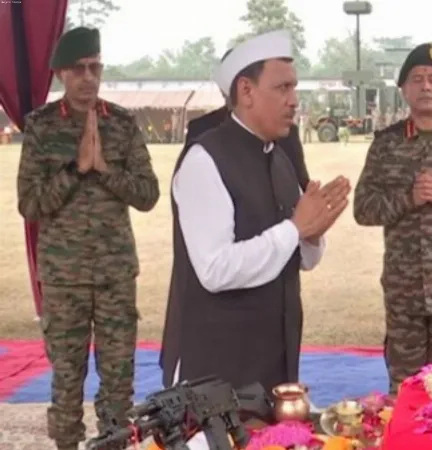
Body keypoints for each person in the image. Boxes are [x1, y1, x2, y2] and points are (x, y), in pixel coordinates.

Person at [159, 30, 351, 398]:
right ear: (246, 91)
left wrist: (312, 235)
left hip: (273, 362)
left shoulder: (278, 157)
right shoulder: (205, 159)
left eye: (294, 88)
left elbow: (300, 257)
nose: (294, 101)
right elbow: (215, 269)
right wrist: (296, 229)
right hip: (218, 369)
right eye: (282, 88)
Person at [16, 27, 160, 450]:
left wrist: (105, 170)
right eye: (78, 69)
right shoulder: (41, 128)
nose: (88, 77)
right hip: (64, 279)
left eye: (95, 67)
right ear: (61, 73)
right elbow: (30, 204)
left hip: (115, 275)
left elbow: (148, 194)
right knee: (66, 383)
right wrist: (76, 169)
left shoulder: (122, 123)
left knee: (119, 385)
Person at [353, 43, 432, 394]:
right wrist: (408, 199)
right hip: (404, 292)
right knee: (406, 392)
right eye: (417, 79)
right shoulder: (386, 145)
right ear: (405, 90)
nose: (425, 86)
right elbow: (363, 209)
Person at [183, 51, 308, 183]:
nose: (294, 101)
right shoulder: (201, 131)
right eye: (283, 87)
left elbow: (301, 185)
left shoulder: (286, 131)